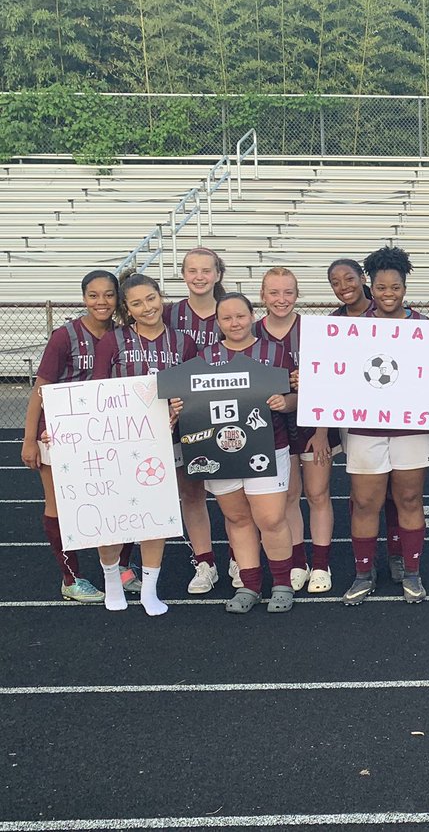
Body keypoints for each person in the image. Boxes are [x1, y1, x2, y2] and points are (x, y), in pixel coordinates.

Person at [170, 293, 297, 613]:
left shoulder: (274, 352)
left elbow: (296, 395)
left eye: (240, 316)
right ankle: (250, 584)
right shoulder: (205, 357)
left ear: (252, 315)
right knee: (238, 518)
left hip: (268, 446)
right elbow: (189, 400)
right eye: (226, 318)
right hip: (219, 449)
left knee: (270, 517)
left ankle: (281, 582)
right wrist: (179, 404)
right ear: (217, 322)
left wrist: (286, 403)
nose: (234, 323)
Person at [91, 273, 199, 615]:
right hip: (118, 445)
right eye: (136, 303)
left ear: (160, 297)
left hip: (164, 444)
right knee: (113, 517)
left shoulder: (183, 342)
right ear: (127, 308)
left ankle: (150, 590)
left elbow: (194, 391)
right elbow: (94, 393)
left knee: (155, 517)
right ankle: (112, 581)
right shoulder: (113, 342)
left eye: (151, 298)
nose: (146, 307)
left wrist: (182, 406)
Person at [21, 270, 123, 602]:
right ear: (83, 298)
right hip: (57, 435)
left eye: (108, 294)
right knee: (60, 506)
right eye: (94, 295)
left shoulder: (122, 335)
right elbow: (41, 389)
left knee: (112, 500)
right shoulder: (64, 337)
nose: (101, 302)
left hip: (102, 434)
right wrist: (28, 439)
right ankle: (71, 578)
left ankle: (122, 569)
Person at [341, 247, 429, 606]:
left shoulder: (425, 328)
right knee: (365, 502)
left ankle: (412, 572)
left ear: (404, 287)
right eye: (381, 287)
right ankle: (364, 574)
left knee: (409, 498)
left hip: (412, 427)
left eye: (395, 287)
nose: (388, 294)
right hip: (366, 428)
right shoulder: (351, 329)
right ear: (371, 288)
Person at [255, 267, 336, 594]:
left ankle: (320, 564)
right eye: (274, 292)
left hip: (313, 425)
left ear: (297, 294)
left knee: (318, 494)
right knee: (288, 496)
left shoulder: (315, 330)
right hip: (272, 427)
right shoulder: (252, 332)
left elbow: (332, 381)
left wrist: (321, 431)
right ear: (262, 296)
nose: (281, 299)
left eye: (288, 292)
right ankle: (297, 561)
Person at [163, 247, 225, 594]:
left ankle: (238, 558)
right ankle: (205, 562)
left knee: (235, 494)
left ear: (218, 274)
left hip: (229, 413)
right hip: (184, 413)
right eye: (192, 270)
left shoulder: (231, 310)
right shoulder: (170, 314)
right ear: (184, 274)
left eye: (206, 270)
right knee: (191, 491)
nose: (199, 276)